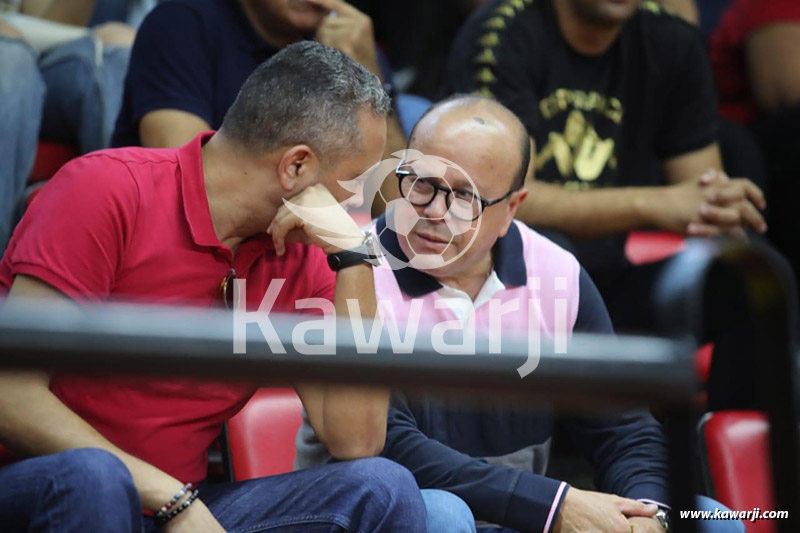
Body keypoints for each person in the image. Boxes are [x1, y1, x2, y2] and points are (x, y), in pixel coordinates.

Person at [0, 42, 473, 532]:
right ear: (296, 167)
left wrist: (356, 259)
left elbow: (355, 442)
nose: (357, 203)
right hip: (44, 486)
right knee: (95, 479)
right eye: (353, 181)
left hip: (185, 508)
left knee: (385, 486)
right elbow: (9, 396)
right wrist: (170, 497)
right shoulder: (105, 190)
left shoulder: (307, 252)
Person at [296, 95, 745, 533]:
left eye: (465, 199)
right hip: (404, 511)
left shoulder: (557, 273)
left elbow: (623, 430)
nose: (433, 212)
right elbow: (391, 450)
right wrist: (552, 507)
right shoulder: (352, 270)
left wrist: (649, 515)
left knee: (711, 519)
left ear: (511, 208)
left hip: (524, 516)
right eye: (422, 184)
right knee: (441, 514)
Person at [440, 0, 768, 334]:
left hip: (615, 281)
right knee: (544, 251)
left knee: (746, 274)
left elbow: (700, 196)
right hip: (508, 288)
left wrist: (722, 211)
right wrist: (654, 204)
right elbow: (501, 201)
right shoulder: (504, 33)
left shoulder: (670, 40)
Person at [111, 0, 423, 214]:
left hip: (296, 262)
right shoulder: (182, 24)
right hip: (176, 244)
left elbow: (397, 208)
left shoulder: (348, 44)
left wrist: (373, 80)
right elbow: (192, 182)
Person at [0, 0, 135, 252]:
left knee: (121, 54)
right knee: (10, 59)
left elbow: (53, 24)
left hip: (51, 54)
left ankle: (123, 257)